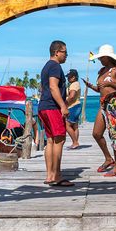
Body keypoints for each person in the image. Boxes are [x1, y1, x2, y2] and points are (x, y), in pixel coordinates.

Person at [83, 44, 116, 177]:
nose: (101, 59)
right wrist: (91, 86)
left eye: (102, 57)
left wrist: (109, 83)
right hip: (103, 103)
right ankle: (109, 158)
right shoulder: (101, 71)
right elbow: (100, 88)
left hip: (115, 103)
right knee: (96, 133)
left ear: (108, 57)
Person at [38, 40, 73, 186]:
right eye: (65, 52)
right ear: (57, 52)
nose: (66, 55)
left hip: (43, 106)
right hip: (52, 107)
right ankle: (57, 175)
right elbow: (53, 87)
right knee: (59, 140)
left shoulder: (46, 66)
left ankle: (50, 176)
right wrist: (63, 106)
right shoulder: (55, 66)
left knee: (51, 140)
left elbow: (44, 87)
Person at [64, 69, 83, 149]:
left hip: (73, 106)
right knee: (75, 126)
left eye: (69, 77)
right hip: (77, 106)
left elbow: (71, 96)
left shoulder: (74, 84)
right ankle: (75, 143)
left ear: (74, 77)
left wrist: (64, 104)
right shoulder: (75, 84)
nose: (68, 78)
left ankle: (75, 142)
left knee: (67, 125)